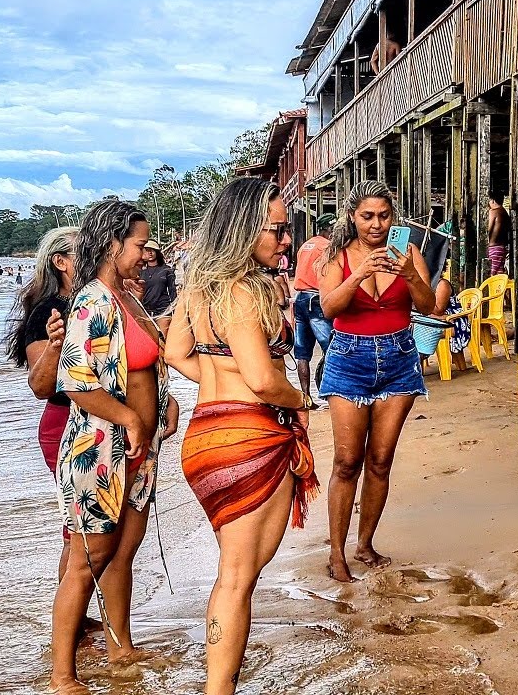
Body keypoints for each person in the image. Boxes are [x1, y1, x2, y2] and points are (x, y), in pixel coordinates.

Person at [165, 177, 319, 695]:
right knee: (236, 578)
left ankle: (221, 679)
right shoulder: (245, 290)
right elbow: (262, 378)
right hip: (249, 441)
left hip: (204, 437)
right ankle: (218, 689)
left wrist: (220, 380)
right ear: (244, 228)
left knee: (234, 572)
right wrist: (303, 400)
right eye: (275, 229)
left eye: (285, 230)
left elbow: (176, 355)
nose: (284, 240)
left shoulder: (198, 287)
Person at [49, 199, 175, 694]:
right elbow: (75, 383)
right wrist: (128, 417)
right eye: (140, 245)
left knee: (123, 554)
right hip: (98, 450)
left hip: (139, 451)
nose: (146, 254)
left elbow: (144, 365)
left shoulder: (129, 299)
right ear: (112, 243)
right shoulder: (92, 303)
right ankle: (62, 676)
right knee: (87, 561)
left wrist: (164, 405)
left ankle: (121, 647)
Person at [318, 180, 435, 582]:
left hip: (400, 357)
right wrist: (359, 275)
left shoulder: (408, 251)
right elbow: (330, 308)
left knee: (380, 461)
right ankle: (336, 553)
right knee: (347, 461)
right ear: (352, 216)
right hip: (349, 357)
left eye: (384, 216)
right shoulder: (336, 255)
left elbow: (429, 306)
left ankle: (365, 544)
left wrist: (410, 274)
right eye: (367, 216)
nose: (376, 224)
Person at [5, 226, 83, 584]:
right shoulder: (47, 312)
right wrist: (54, 346)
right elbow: (41, 386)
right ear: (61, 262)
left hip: (94, 418)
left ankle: (78, 615)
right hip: (65, 421)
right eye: (85, 250)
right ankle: (72, 619)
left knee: (91, 527)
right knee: (79, 528)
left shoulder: (90, 301)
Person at [292, 216, 335, 398]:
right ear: (329, 230)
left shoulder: (306, 246)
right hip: (315, 299)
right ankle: (332, 392)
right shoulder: (326, 247)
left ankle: (306, 396)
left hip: (300, 298)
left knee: (302, 352)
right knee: (332, 347)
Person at [138, 241, 177, 327]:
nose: (150, 253)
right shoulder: (139, 271)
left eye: (153, 250)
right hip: (145, 310)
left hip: (163, 309)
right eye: (147, 250)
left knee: (163, 336)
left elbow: (172, 290)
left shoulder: (167, 270)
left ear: (157, 252)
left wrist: (175, 310)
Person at [486, 192, 510, 276]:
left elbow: (487, 229)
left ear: (492, 201)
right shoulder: (504, 213)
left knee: (490, 276)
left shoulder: (493, 212)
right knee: (499, 276)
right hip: (502, 248)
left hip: (493, 248)